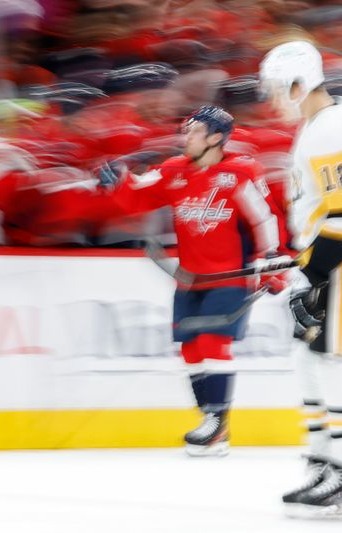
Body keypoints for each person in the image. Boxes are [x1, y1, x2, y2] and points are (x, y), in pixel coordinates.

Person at [98, 105, 287, 457]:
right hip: (190, 278)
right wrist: (117, 182)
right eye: (186, 130)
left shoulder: (241, 172)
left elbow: (265, 219)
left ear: (216, 137)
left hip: (231, 277)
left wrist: (274, 263)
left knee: (214, 343)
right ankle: (212, 424)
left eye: (195, 131)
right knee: (190, 350)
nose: (186, 137)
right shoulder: (174, 171)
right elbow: (138, 195)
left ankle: (216, 422)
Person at [259, 40, 342, 520]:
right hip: (334, 247)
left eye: (277, 89)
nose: (272, 99)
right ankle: (323, 461)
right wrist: (303, 258)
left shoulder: (327, 131)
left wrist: (307, 275)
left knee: (336, 358)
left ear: (299, 84)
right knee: (310, 357)